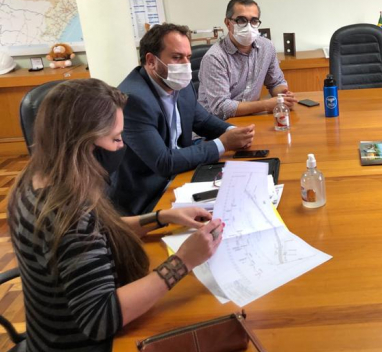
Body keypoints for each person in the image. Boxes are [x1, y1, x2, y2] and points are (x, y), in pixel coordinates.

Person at [8, 79, 225, 352]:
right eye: (115, 138)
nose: (122, 145)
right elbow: (100, 318)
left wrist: (162, 217)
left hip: (46, 338)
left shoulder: (36, 180)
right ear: (82, 144)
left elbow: (96, 232)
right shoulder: (68, 214)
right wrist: (184, 261)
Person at [111, 23, 255, 216]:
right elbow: (163, 162)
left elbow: (203, 121)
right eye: (177, 57)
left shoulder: (180, 84)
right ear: (151, 61)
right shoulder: (133, 99)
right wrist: (223, 144)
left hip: (181, 176)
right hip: (148, 196)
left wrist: (233, 132)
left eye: (188, 57)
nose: (186, 65)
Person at [198, 0, 298, 118]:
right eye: (241, 20)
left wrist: (283, 95)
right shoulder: (214, 57)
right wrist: (265, 105)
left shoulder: (267, 47)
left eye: (254, 21)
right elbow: (220, 108)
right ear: (228, 23)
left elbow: (276, 82)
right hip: (217, 123)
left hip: (249, 117)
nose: (248, 27)